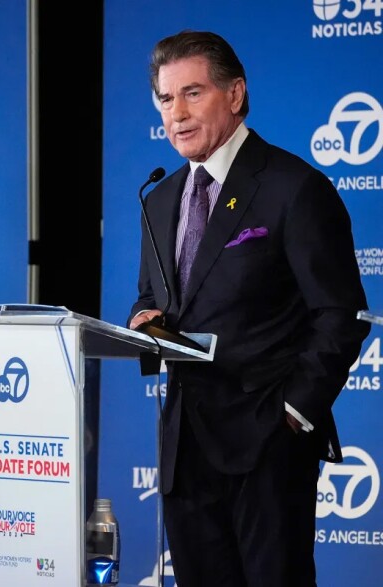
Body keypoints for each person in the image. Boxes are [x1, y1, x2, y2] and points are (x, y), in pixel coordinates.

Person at [128, 30, 369, 586]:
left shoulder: (293, 187)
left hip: (268, 443)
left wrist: (292, 415)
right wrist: (145, 323)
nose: (177, 114)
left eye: (193, 93)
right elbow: (154, 297)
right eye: (166, 99)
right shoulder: (159, 198)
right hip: (185, 446)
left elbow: (340, 314)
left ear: (235, 94)